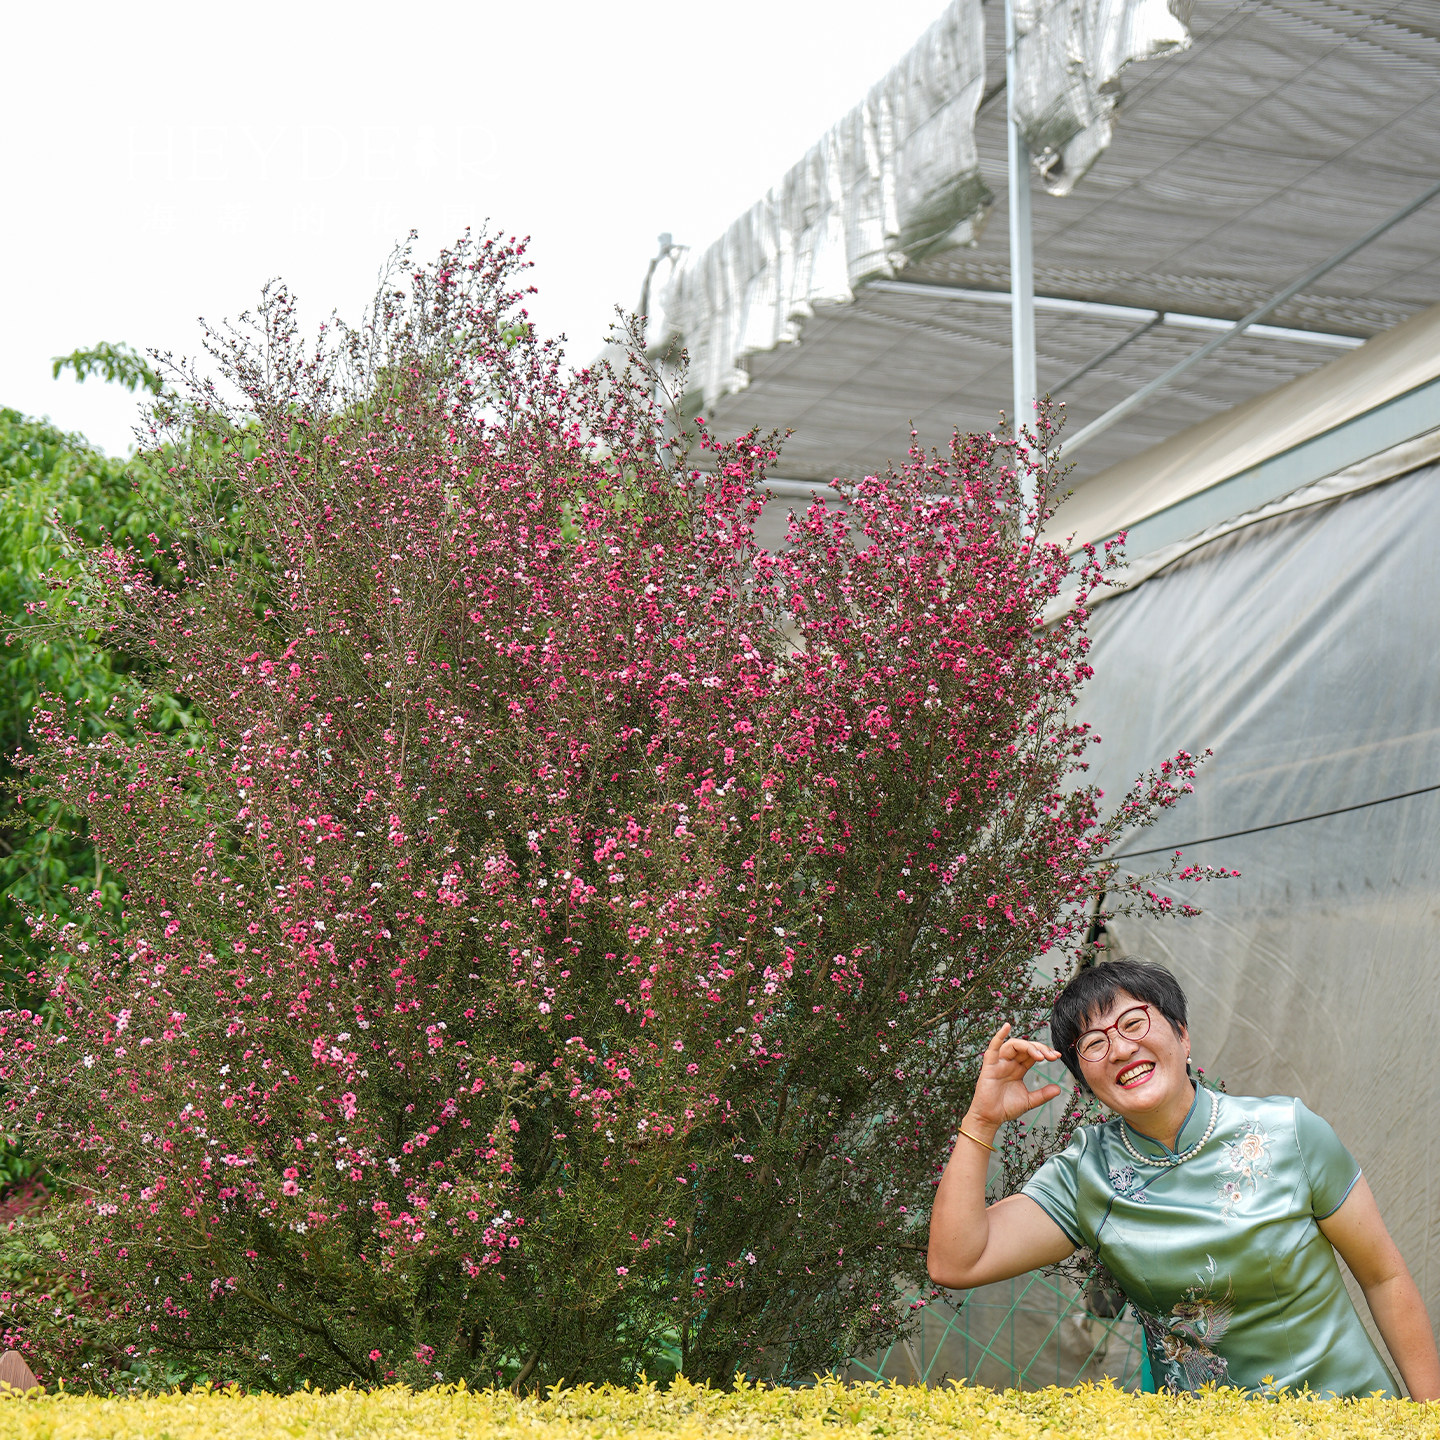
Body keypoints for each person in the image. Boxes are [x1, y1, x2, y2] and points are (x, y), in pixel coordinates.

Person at [927, 958, 1440, 1399]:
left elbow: (1384, 1277)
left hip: (1348, 1415)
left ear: (1182, 1033)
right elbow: (957, 1260)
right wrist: (981, 1121)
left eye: (1133, 1022)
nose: (1122, 1050)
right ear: (1084, 1083)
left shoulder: (1288, 1132)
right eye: (1094, 1044)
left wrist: (1430, 1418)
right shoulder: (1086, 1174)